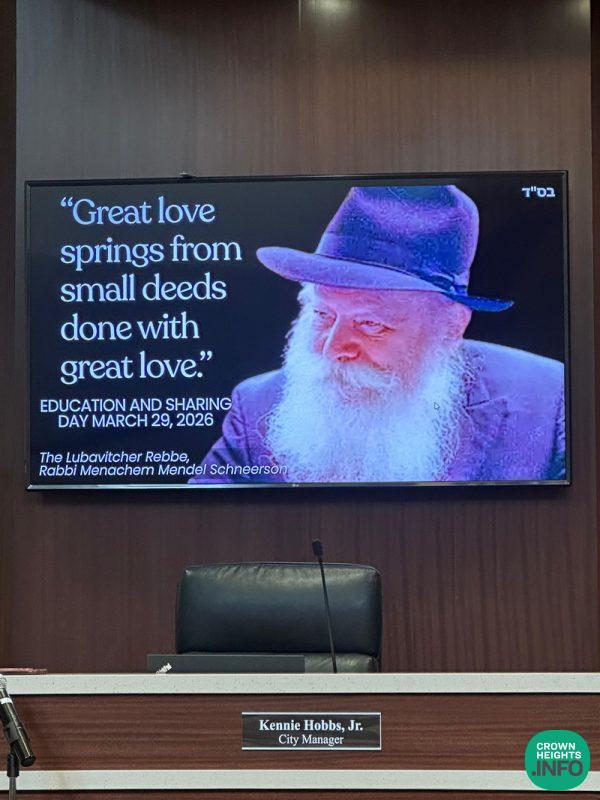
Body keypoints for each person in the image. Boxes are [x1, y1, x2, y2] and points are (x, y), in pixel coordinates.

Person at [190, 185, 565, 484]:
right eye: (322, 314)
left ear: (450, 328)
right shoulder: (256, 406)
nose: (333, 348)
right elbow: (199, 529)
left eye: (370, 324)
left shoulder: (547, 403)